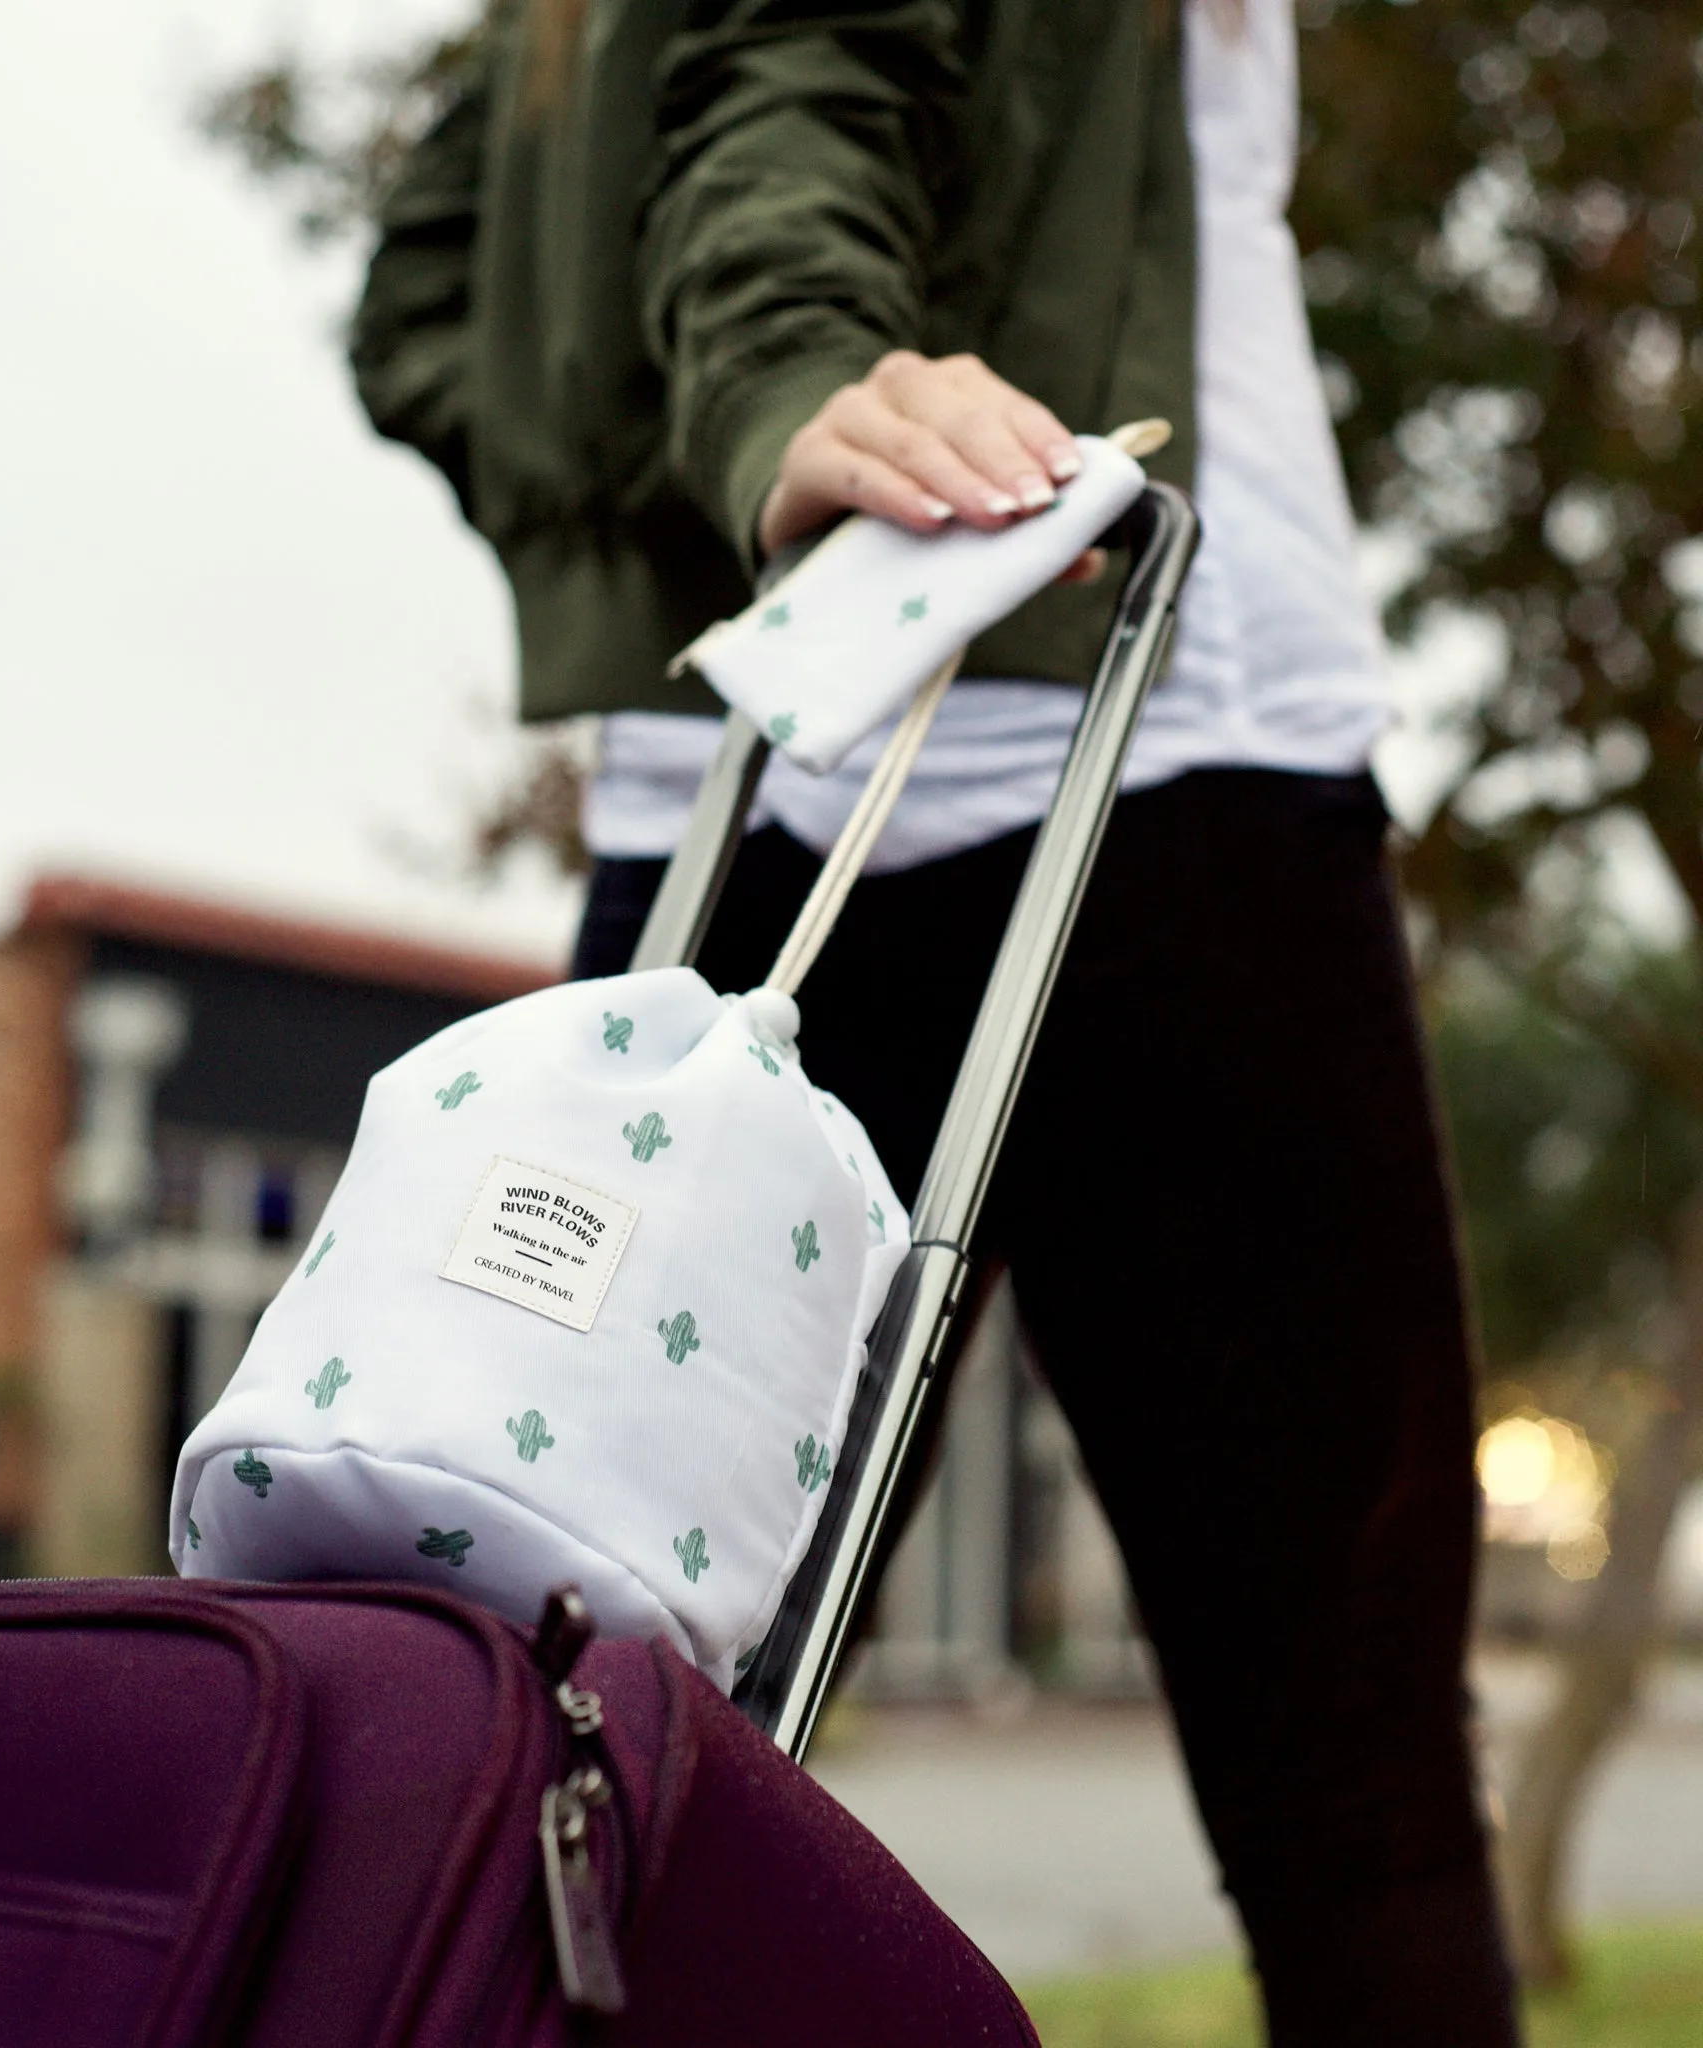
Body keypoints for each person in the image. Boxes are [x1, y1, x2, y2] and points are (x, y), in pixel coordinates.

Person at [352, 2, 1522, 2041]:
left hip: (725, 842)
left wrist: (663, 492)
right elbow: (792, 106)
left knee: (582, 1737)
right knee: (1352, 1784)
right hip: (1161, 792)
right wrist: (788, 382)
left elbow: (437, 291)